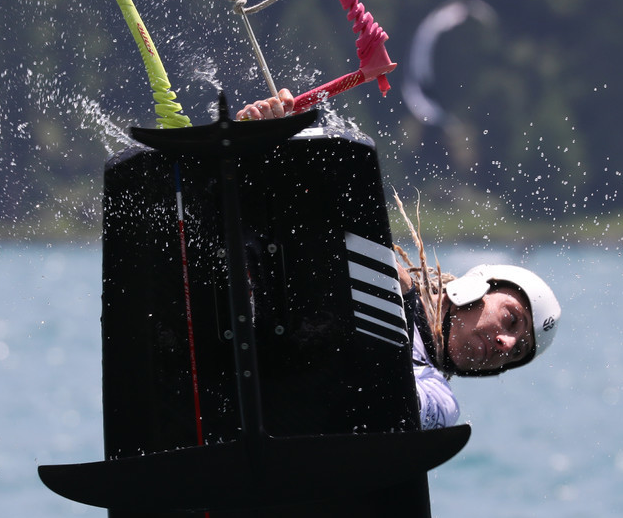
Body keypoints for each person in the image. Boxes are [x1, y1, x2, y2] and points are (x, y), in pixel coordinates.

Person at [238, 90, 562, 429]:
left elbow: (395, 403)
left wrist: (403, 307)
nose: (505, 345)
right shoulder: (383, 269)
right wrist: (265, 138)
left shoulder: (440, 401)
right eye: (511, 320)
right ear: (479, 286)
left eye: (515, 353)